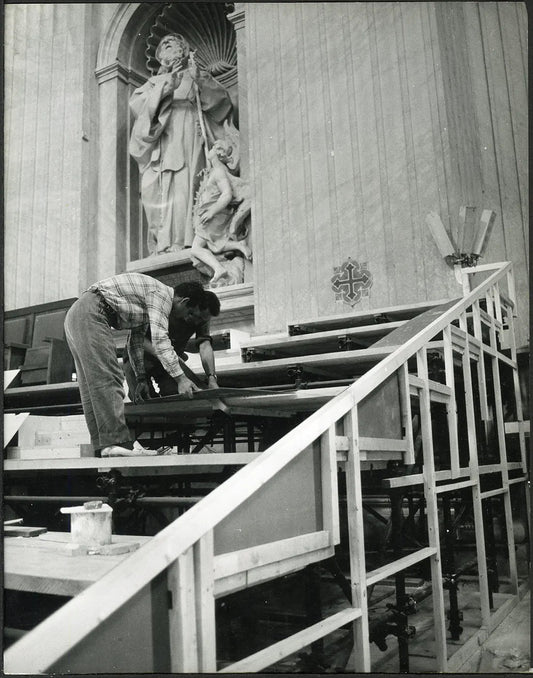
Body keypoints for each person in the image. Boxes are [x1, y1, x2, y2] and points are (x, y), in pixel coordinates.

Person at [64, 274, 220, 457]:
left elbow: (136, 342)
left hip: (78, 313)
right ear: (184, 302)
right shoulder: (162, 296)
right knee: (109, 376)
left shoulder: (148, 302)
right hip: (93, 310)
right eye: (188, 313)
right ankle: (118, 442)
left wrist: (140, 378)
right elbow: (160, 341)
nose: (187, 320)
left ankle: (103, 446)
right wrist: (181, 378)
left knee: (92, 386)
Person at [129, 33, 234, 254]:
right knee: (170, 187)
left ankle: (195, 239)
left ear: (184, 50)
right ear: (159, 57)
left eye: (173, 43)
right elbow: (138, 110)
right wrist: (165, 88)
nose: (168, 45)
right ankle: (170, 242)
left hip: (192, 137)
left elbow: (222, 106)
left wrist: (200, 80)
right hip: (166, 141)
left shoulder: (197, 75)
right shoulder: (153, 83)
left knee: (192, 184)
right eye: (163, 44)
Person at [190, 139, 252, 285]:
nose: (209, 151)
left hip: (214, 215)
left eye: (212, 148)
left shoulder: (218, 171)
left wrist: (212, 211)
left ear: (218, 153)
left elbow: (227, 194)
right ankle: (239, 245)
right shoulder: (214, 171)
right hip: (209, 216)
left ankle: (219, 268)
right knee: (213, 244)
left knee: (196, 249)